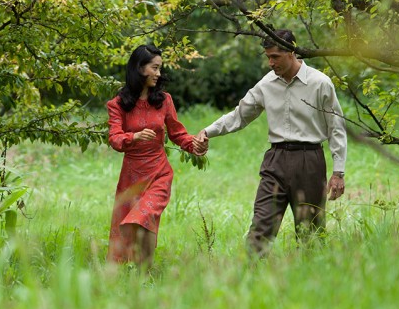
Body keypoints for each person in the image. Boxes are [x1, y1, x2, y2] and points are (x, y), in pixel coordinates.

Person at [195, 29, 347, 255]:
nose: (270, 62)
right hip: (275, 160)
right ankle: (252, 278)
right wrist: (207, 131)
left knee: (311, 233)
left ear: (292, 52)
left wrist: (338, 172)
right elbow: (239, 115)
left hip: (309, 161)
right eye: (267, 57)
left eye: (275, 56)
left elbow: (336, 127)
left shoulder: (319, 83)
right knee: (260, 228)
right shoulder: (266, 84)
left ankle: (313, 280)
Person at [107, 45, 207, 266]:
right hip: (131, 178)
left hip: (159, 173)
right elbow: (114, 139)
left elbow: (178, 134)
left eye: (160, 68)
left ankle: (146, 270)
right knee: (134, 225)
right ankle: (138, 272)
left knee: (143, 216)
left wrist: (195, 145)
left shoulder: (164, 100)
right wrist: (133, 137)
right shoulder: (118, 104)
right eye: (154, 68)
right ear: (139, 68)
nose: (159, 74)